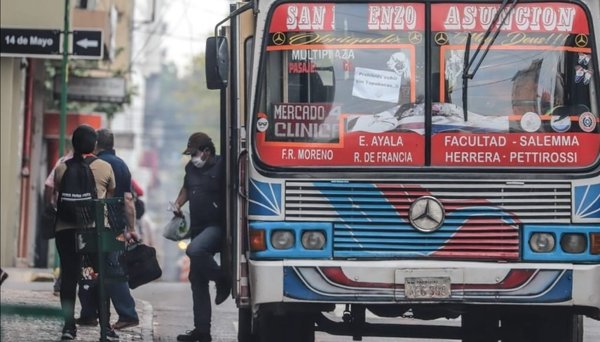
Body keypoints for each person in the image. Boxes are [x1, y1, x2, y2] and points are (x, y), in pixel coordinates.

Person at [53, 125, 116, 340]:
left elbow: (57, 193)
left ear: (73, 144)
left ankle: (69, 327)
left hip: (65, 229)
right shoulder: (106, 167)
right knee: (100, 277)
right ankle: (105, 328)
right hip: (93, 231)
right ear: (95, 145)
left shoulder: (62, 167)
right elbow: (109, 196)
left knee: (69, 276)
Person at [76, 128, 140, 331]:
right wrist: (131, 228)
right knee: (113, 271)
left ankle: (93, 313)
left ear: (97, 144)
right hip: (115, 226)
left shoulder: (94, 164)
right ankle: (118, 313)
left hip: (92, 224)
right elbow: (128, 200)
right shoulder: (121, 165)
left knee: (89, 269)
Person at [172, 132, 230, 342]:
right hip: (197, 226)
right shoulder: (190, 168)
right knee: (197, 279)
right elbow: (187, 188)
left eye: (195, 154)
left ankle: (223, 279)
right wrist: (178, 204)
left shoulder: (224, 165)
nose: (192, 158)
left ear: (207, 151)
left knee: (194, 250)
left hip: (217, 226)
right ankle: (202, 332)